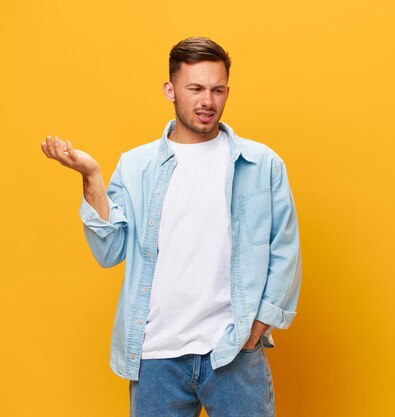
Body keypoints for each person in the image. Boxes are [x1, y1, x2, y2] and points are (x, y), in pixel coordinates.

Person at [40, 36, 301, 417]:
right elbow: (109, 251)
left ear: (227, 91)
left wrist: (255, 332)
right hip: (155, 357)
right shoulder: (136, 165)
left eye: (217, 89)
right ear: (170, 89)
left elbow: (285, 250)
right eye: (195, 88)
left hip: (232, 351)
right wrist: (91, 178)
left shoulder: (261, 164)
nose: (207, 101)